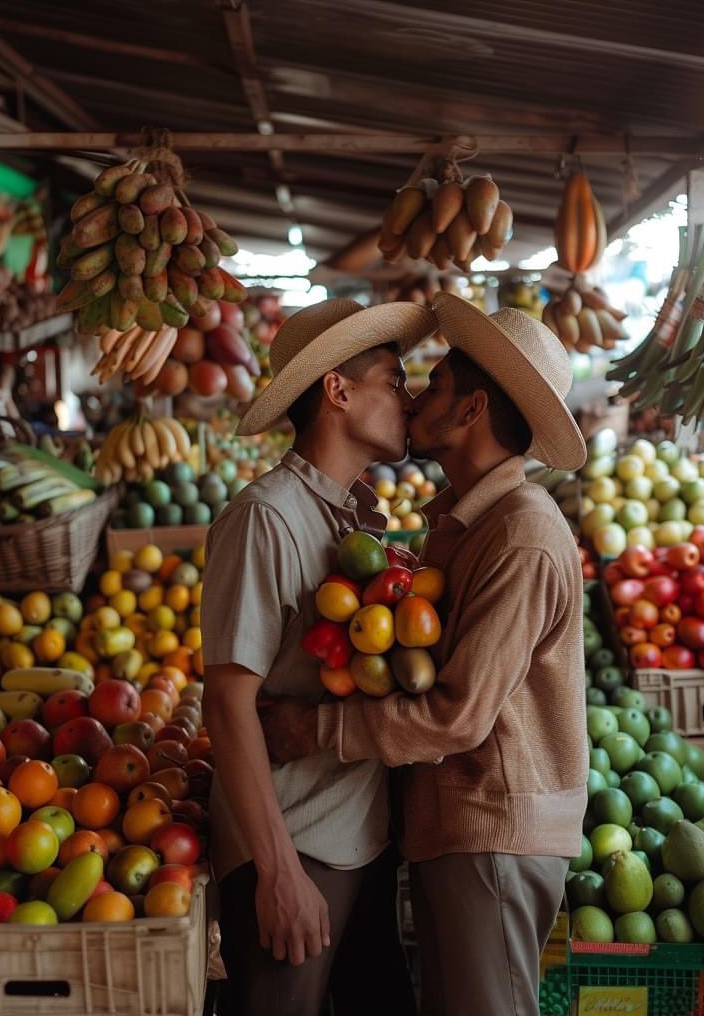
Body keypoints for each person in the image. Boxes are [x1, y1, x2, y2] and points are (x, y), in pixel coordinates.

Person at [260, 291, 590, 1016]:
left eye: (434, 385)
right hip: (460, 826)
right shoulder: (464, 523)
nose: (413, 401)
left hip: (494, 831)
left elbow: (458, 716)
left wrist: (312, 729)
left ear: (472, 410)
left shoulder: (522, 534)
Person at [202, 297, 437, 1016]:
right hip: (296, 844)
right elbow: (226, 702)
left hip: (360, 839)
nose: (409, 399)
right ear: (337, 390)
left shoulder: (356, 516)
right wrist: (277, 873)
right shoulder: (266, 517)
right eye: (393, 382)